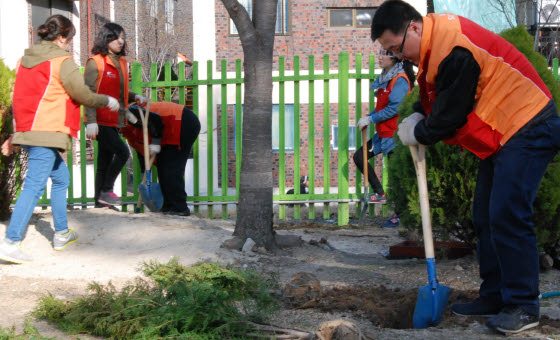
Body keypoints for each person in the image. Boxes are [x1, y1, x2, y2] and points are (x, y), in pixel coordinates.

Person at [371, 0, 560, 334]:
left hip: (529, 123)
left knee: (507, 213)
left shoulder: (454, 48)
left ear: (414, 28)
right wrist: (419, 113)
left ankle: (522, 305)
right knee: (485, 214)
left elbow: (452, 112)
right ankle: (495, 295)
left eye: (396, 49)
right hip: (507, 132)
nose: (398, 58)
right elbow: (437, 96)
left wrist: (422, 129)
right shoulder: (434, 46)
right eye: (391, 52)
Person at [0, 15, 119, 264]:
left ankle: (62, 233)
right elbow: (81, 93)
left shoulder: (24, 61)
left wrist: (16, 133)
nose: (69, 45)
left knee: (61, 177)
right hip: (47, 131)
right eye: (70, 39)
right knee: (33, 186)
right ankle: (10, 242)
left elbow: (19, 99)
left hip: (30, 129)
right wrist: (106, 101)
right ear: (62, 37)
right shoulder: (61, 60)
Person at [84, 23, 147, 207]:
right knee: (122, 152)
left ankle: (99, 203)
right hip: (99, 120)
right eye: (116, 37)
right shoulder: (95, 62)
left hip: (114, 120)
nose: (121, 41)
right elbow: (87, 93)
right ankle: (107, 190)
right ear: (106, 38)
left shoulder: (122, 63)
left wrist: (136, 96)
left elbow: (120, 93)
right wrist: (91, 121)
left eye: (122, 37)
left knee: (103, 163)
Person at [352, 49, 414, 230]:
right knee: (359, 157)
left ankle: (400, 216)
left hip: (395, 135)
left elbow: (395, 108)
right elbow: (382, 107)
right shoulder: (386, 78)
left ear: (394, 58)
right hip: (382, 133)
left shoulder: (400, 79)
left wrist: (371, 119)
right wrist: (368, 117)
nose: (379, 57)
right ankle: (380, 192)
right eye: (379, 53)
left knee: (397, 177)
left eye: (383, 54)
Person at [122, 102, 200, 216]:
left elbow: (156, 120)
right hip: (169, 129)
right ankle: (169, 207)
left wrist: (156, 142)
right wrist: (145, 170)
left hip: (181, 121)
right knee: (164, 168)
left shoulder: (128, 113)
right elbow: (141, 150)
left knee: (171, 168)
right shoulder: (127, 133)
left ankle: (179, 208)